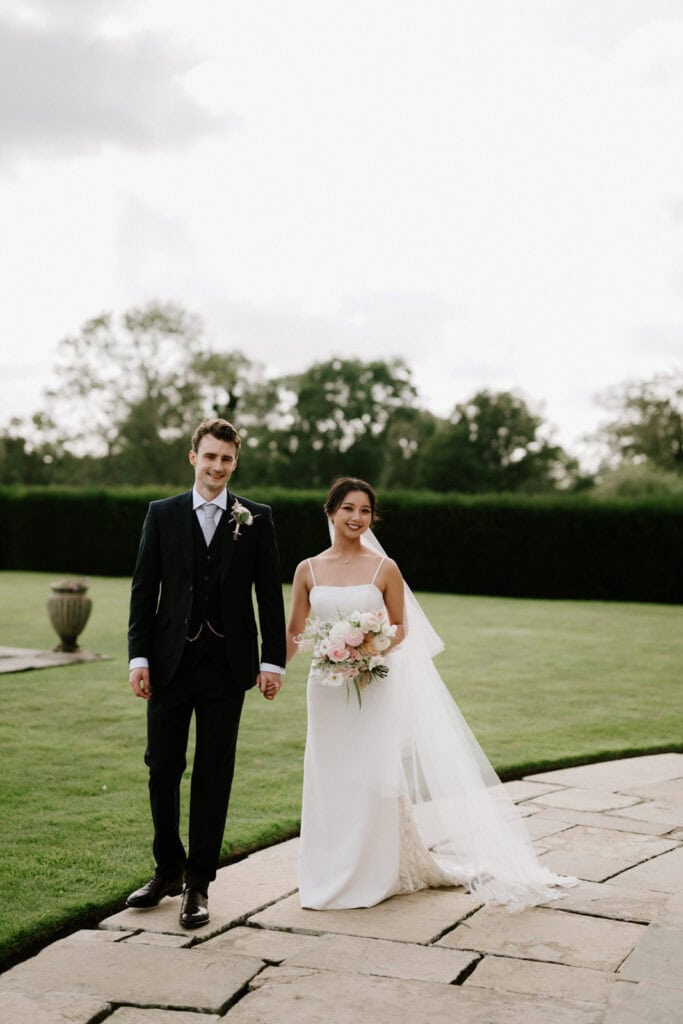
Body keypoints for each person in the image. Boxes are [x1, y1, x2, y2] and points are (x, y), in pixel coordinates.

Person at [286, 477, 576, 911]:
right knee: (329, 775)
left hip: (372, 681)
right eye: (348, 508)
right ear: (330, 512)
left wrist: (368, 645)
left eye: (365, 511)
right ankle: (326, 870)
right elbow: (294, 632)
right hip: (325, 689)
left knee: (369, 773)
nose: (356, 518)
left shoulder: (385, 568)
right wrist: (271, 670)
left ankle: (371, 871)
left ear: (372, 518)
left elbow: (403, 627)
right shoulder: (307, 569)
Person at [126, 418, 286, 928]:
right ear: (193, 456)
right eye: (210, 456)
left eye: (227, 459)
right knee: (162, 769)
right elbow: (143, 590)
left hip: (227, 667)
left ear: (235, 462)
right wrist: (139, 658)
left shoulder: (255, 517)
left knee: (214, 775)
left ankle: (199, 884)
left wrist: (271, 661)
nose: (218, 466)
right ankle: (167, 870)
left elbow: (269, 595)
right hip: (169, 666)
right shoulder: (163, 514)